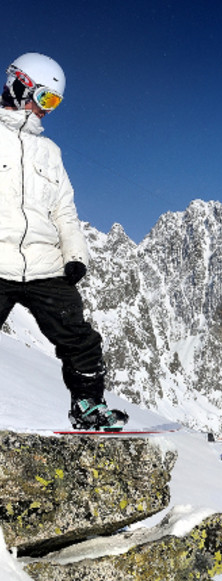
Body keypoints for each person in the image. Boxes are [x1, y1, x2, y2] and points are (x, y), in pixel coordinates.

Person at [0, 52, 126, 430]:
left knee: (80, 340)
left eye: (54, 103)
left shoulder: (50, 153)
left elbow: (64, 212)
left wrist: (75, 255)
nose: (48, 111)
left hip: (44, 265)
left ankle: (88, 405)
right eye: (45, 99)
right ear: (20, 85)